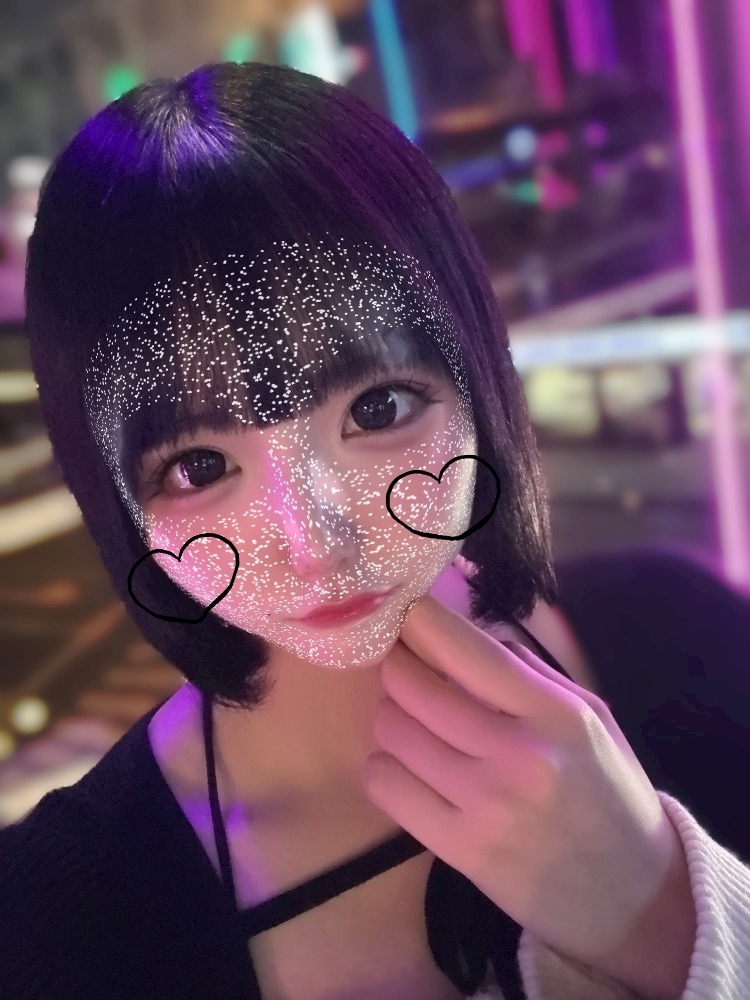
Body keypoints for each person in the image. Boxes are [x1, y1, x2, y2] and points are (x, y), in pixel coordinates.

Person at [2, 61, 749, 1000]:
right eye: (200, 467)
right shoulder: (53, 929)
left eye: (378, 407)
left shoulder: (689, 645)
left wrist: (669, 912)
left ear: (476, 373)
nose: (316, 544)